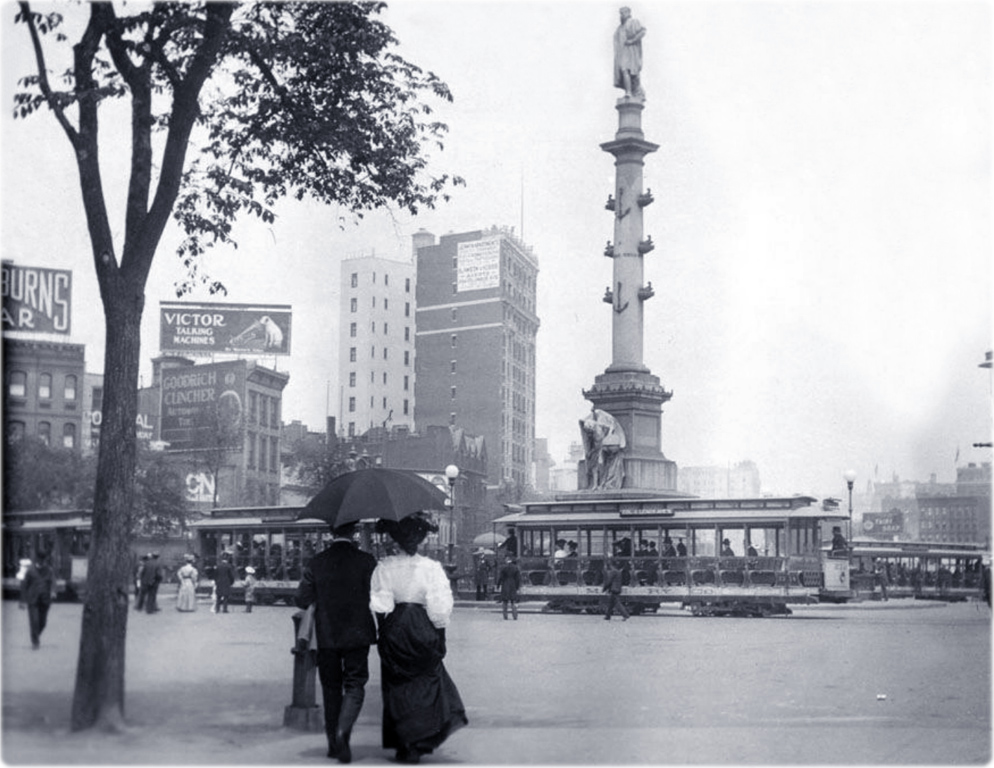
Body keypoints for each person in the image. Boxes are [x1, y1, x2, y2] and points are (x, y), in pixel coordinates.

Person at [371, 513, 468, 764]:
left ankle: (403, 742)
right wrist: (440, 637)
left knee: (396, 686)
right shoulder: (431, 568)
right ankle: (421, 737)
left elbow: (381, 606)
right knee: (426, 682)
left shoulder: (385, 567)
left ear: (396, 539)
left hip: (395, 625)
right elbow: (439, 607)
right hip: (422, 627)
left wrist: (384, 635)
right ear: (420, 540)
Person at [296, 522, 378, 763]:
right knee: (354, 684)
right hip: (358, 634)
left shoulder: (317, 561)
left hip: (327, 635)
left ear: (332, 532)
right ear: (353, 532)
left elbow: (302, 599)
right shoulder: (366, 561)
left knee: (331, 688)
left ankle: (333, 742)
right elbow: (379, 596)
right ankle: (344, 733)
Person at [579, 405, 627, 490]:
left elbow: (611, 429)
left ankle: (602, 483)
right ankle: (595, 485)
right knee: (594, 467)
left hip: (604, 450)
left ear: (592, 426)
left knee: (601, 465)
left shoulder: (602, 427)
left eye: (590, 430)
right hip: (597, 449)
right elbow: (591, 442)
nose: (589, 433)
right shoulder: (591, 431)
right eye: (588, 431)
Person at [20, 551, 55, 649]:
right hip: (33, 600)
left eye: (43, 560)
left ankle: (35, 635)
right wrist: (22, 600)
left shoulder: (49, 570)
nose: (42, 562)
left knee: (43, 623)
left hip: (45, 601)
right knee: (34, 621)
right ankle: (35, 641)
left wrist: (53, 591)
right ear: (36, 559)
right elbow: (24, 585)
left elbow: (53, 582)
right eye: (40, 560)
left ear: (45, 560)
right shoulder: (30, 570)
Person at [613, 6, 647, 99]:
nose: (621, 15)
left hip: (631, 52)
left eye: (623, 13)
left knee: (631, 72)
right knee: (625, 70)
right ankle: (630, 91)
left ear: (628, 13)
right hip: (622, 53)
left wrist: (632, 40)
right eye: (620, 14)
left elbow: (643, 31)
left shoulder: (633, 22)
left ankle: (633, 92)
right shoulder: (619, 28)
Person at [496, 556, 522, 621]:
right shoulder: (515, 568)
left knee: (505, 602)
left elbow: (501, 577)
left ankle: (505, 616)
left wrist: (498, 585)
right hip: (513, 585)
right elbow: (518, 578)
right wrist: (517, 586)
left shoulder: (504, 568)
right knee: (513, 601)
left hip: (505, 584)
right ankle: (515, 615)